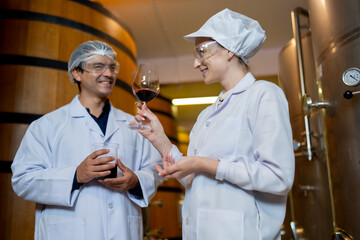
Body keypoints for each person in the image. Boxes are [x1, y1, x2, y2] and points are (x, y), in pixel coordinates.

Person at [134, 9, 295, 240]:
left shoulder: (263, 94)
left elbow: (278, 177)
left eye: (201, 52)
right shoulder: (207, 115)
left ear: (229, 49)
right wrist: (158, 138)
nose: (195, 63)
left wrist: (204, 163)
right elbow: (192, 179)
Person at [11, 41, 162, 240]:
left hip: (122, 231)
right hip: (67, 232)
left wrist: (136, 181)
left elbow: (155, 169)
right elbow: (23, 180)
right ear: (77, 73)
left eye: (111, 67)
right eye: (98, 67)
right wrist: (75, 175)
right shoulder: (46, 125)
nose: (108, 74)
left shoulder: (133, 125)